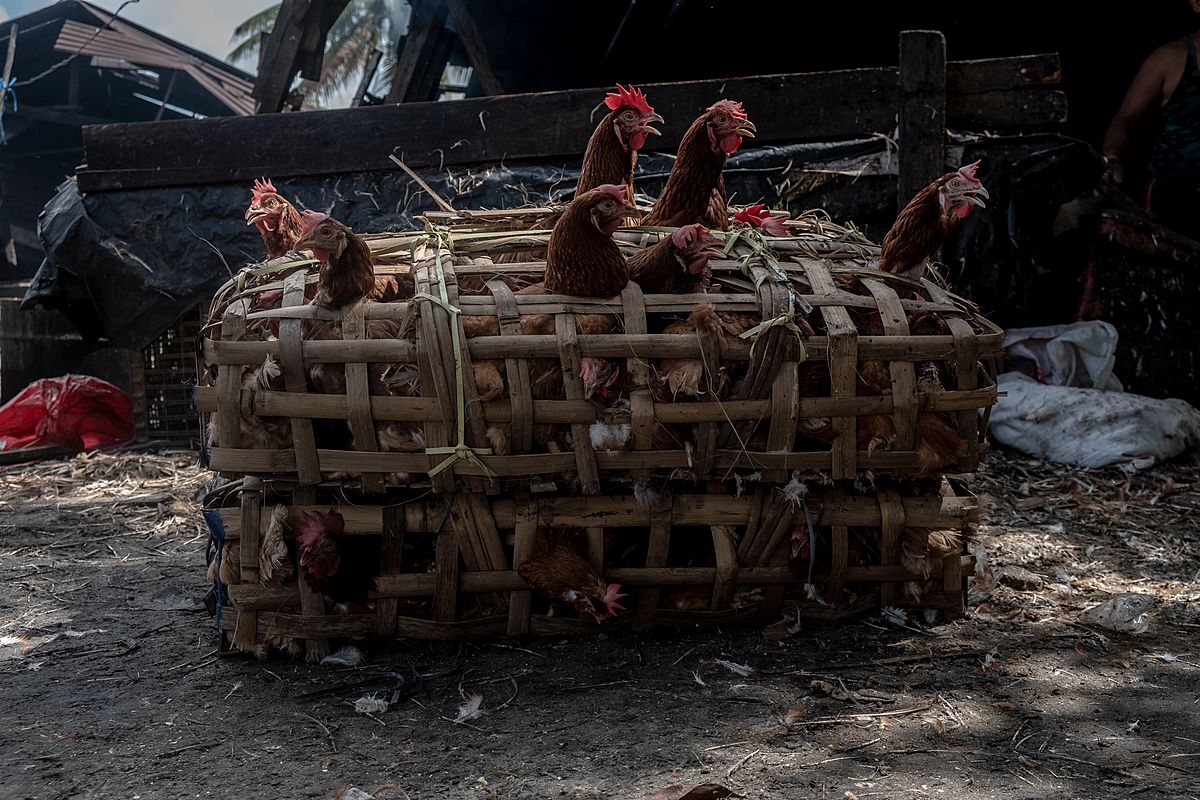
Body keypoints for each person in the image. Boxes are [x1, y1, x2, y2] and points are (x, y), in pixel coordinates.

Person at [1103, 0, 1200, 240]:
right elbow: (1126, 118)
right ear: (1197, 3)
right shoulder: (1170, 58)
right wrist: (1112, 157)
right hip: (1174, 194)